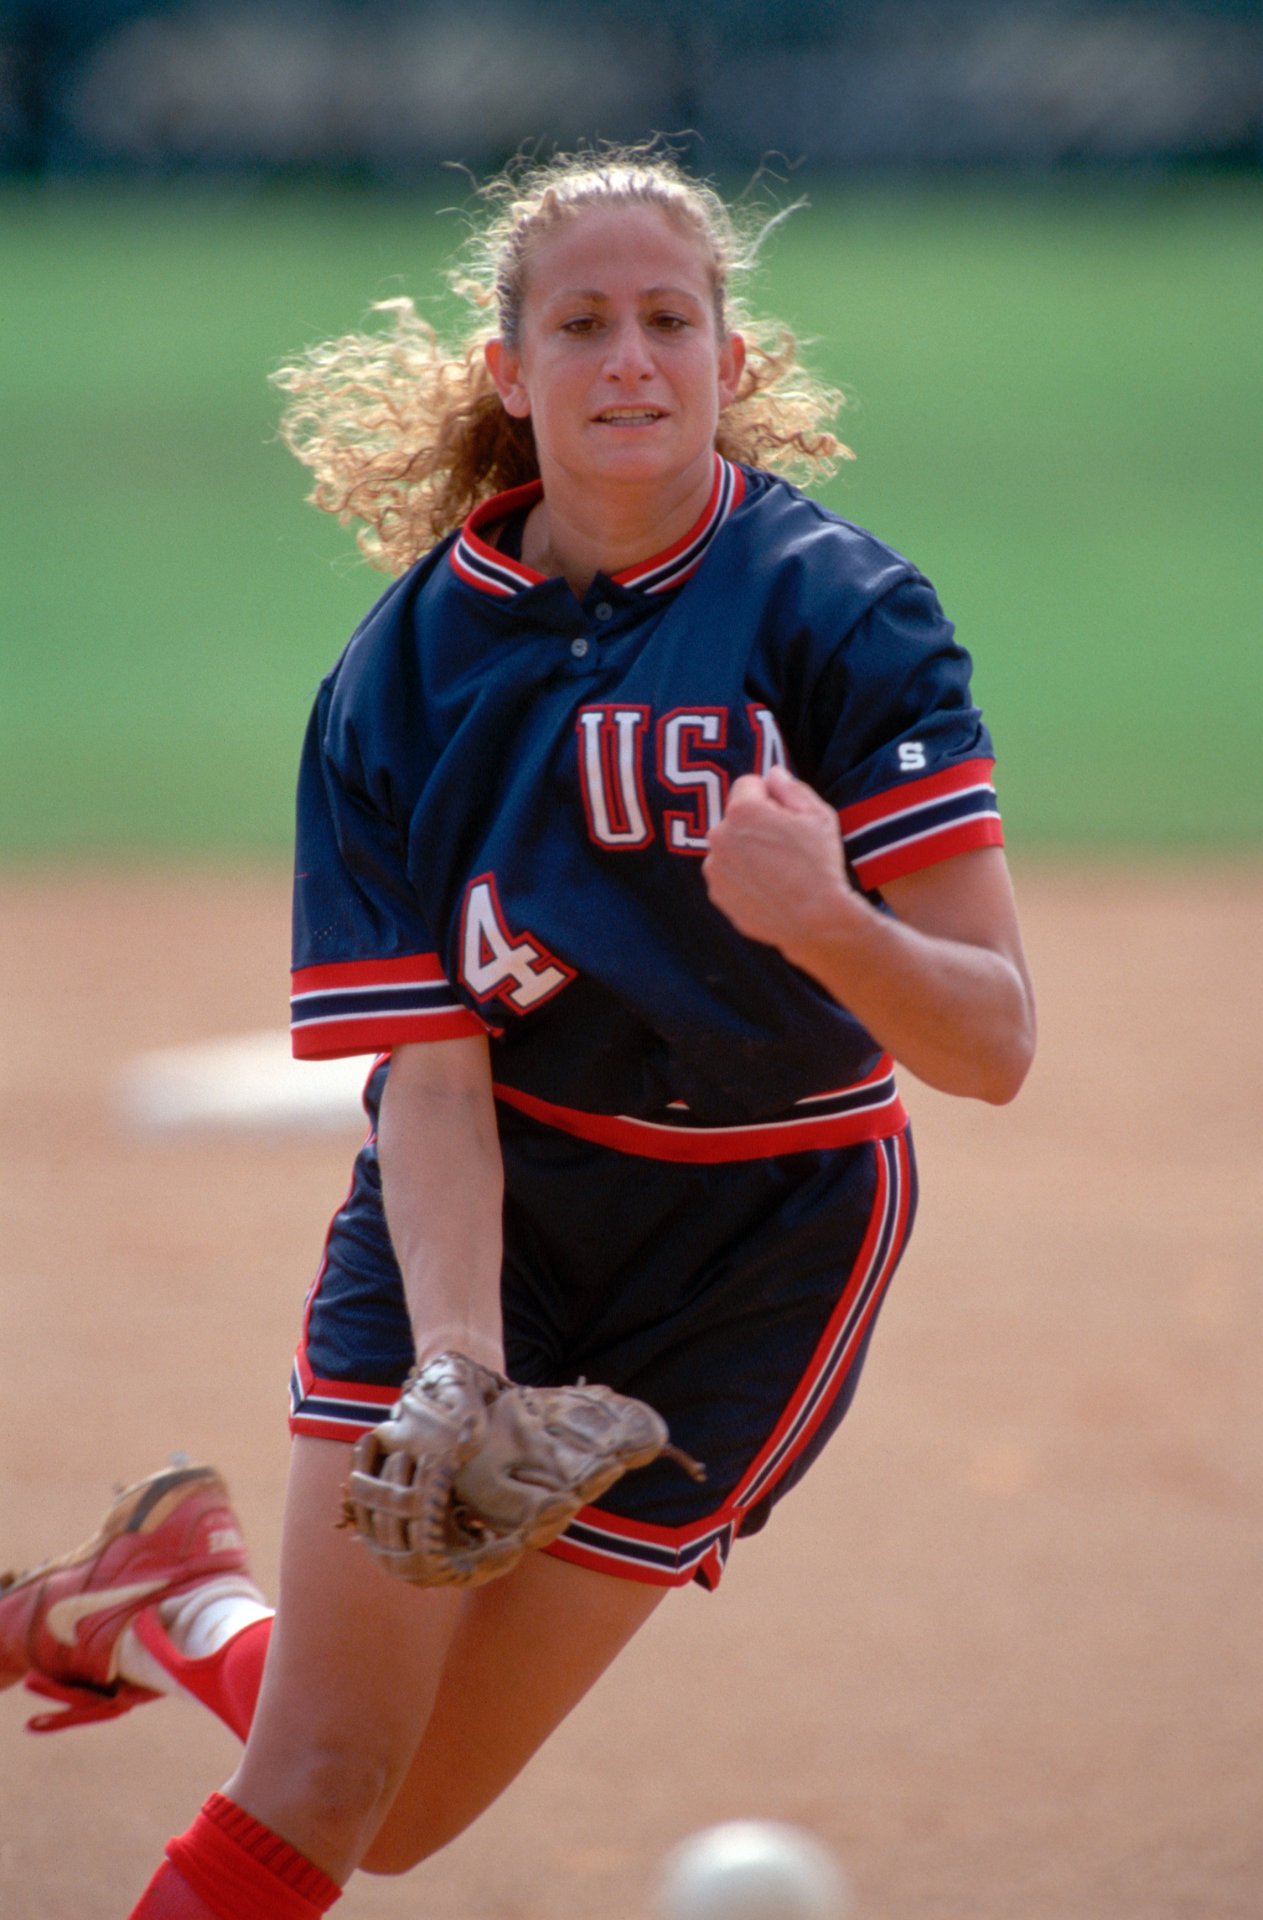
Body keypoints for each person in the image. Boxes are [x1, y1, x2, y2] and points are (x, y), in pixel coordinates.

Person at [0, 145, 1036, 1918]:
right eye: (582, 324)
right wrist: (457, 1366)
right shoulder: (402, 674)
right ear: (511, 370)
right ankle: (195, 1595)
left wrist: (827, 920)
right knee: (322, 1785)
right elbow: (436, 1070)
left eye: (668, 321)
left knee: (395, 1816)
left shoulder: (842, 615)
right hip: (490, 1215)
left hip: (758, 1248)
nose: (629, 358)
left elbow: (991, 1041)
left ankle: (178, 1603)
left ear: (730, 355)